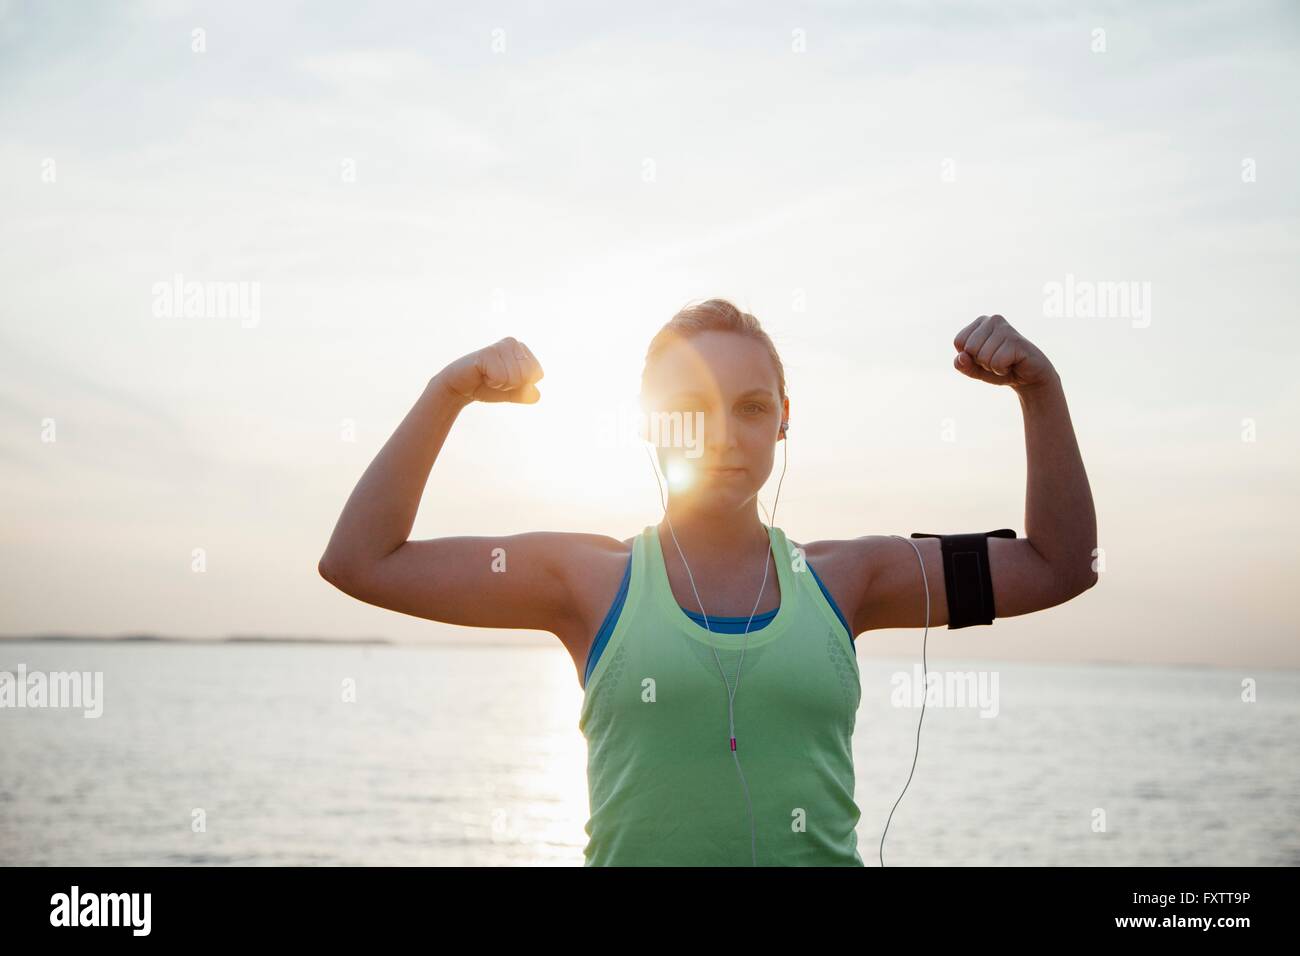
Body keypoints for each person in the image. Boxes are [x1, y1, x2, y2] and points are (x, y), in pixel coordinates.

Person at [318, 298, 1098, 866]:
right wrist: (446, 393)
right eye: (688, 409)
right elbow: (361, 561)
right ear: (647, 422)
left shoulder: (848, 578)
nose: (722, 434)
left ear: (784, 418)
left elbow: (1059, 566)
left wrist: (1041, 388)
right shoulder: (588, 580)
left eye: (751, 407)